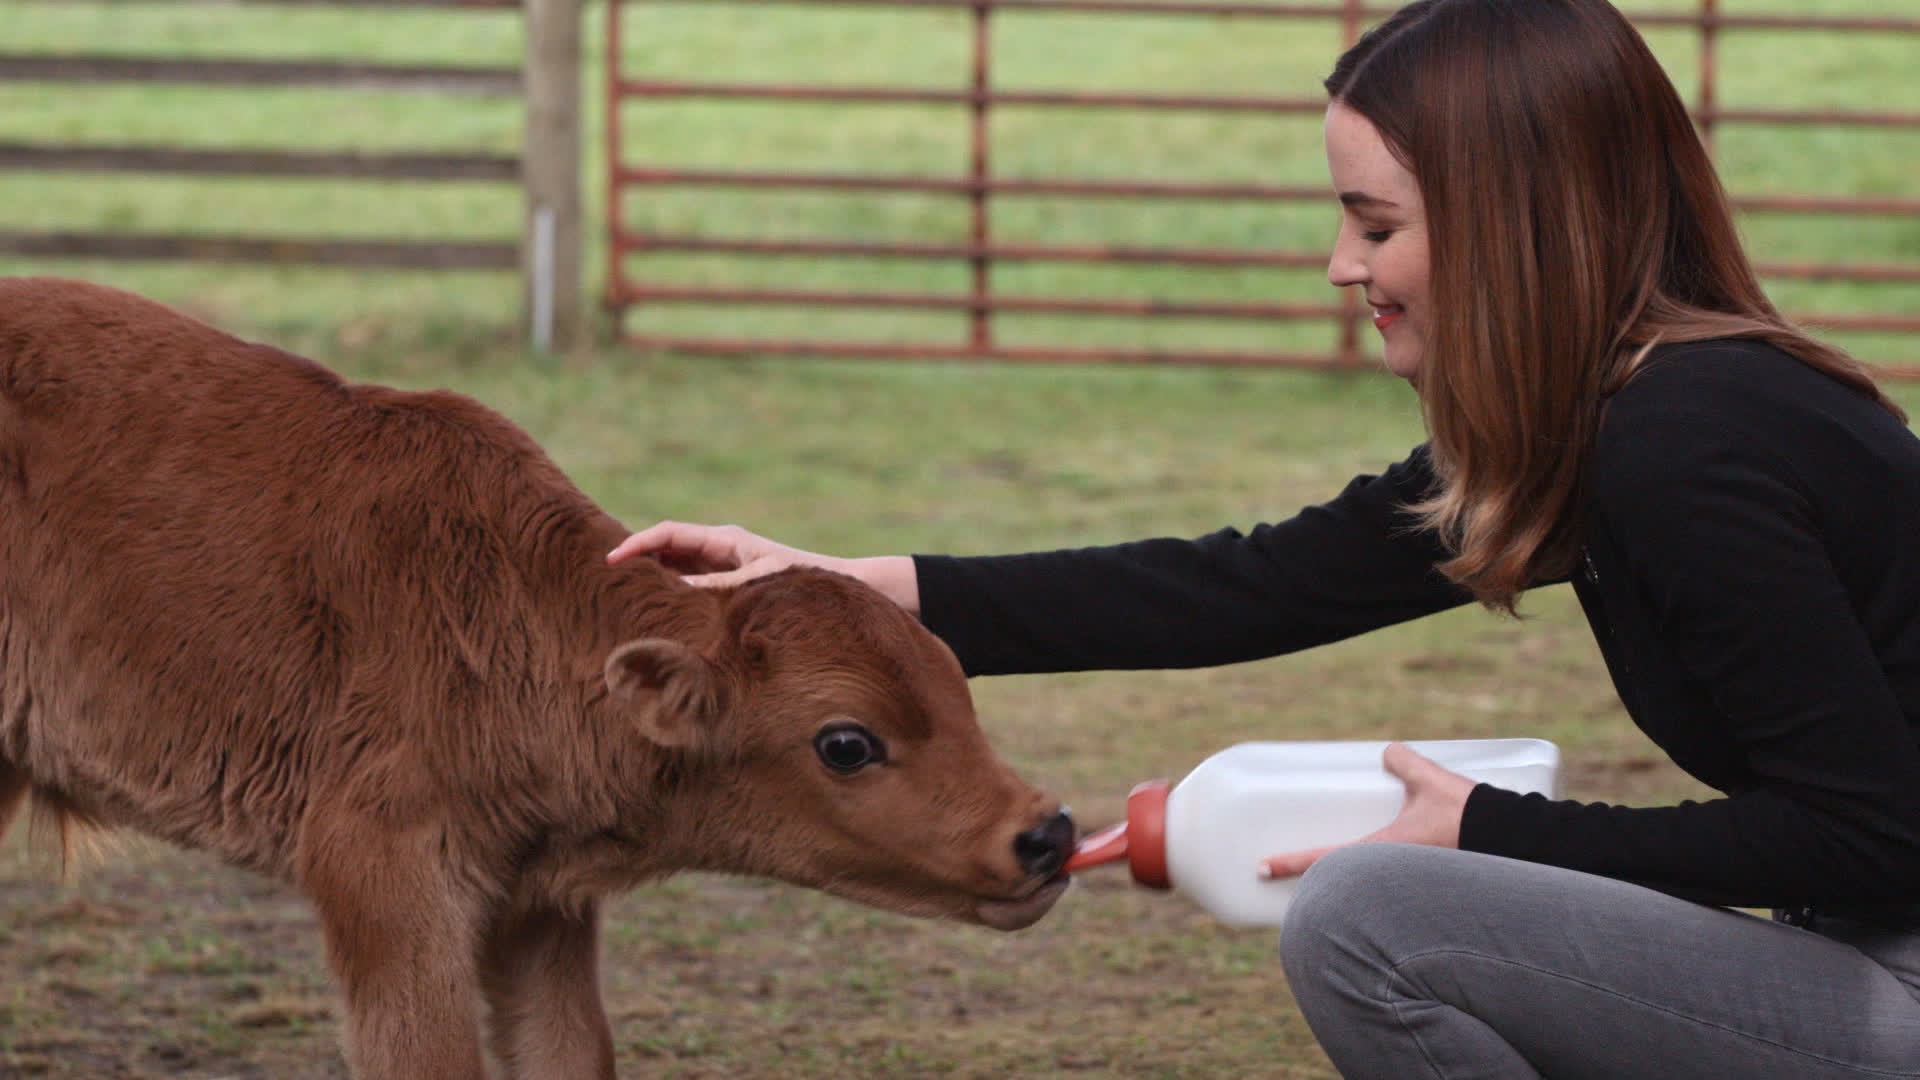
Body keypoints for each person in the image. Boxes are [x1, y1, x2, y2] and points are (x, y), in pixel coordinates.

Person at [606, 0, 1920, 1074]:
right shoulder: (1615, 425)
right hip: (1863, 948)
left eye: (1376, 224)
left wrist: (1493, 835)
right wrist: (845, 586)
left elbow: (1875, 837)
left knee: (1371, 919)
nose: (1338, 265)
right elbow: (1248, 585)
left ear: (1522, 231)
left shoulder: (1686, 451)